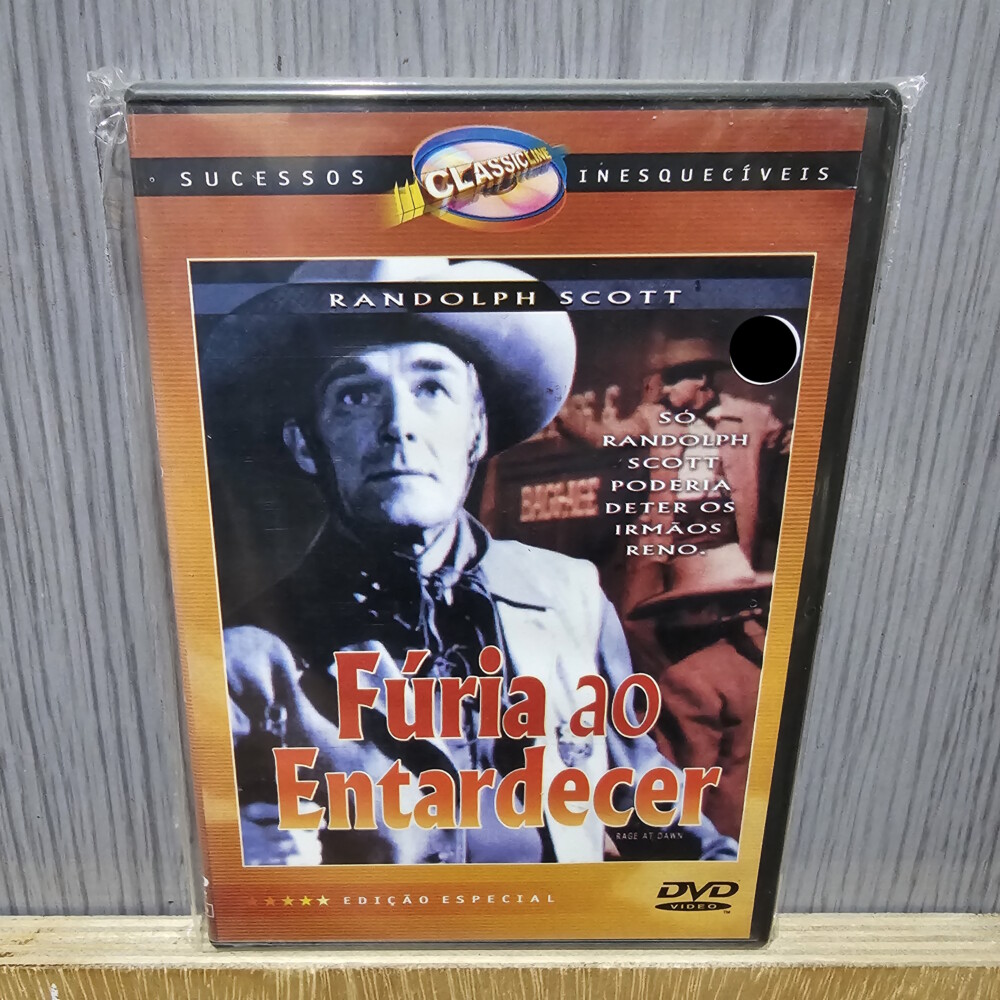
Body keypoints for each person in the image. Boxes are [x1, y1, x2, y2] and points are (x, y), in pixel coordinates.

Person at [201, 258, 737, 867]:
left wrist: (720, 890)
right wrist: (239, 865)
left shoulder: (570, 597)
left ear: (476, 430)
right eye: (356, 396)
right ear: (306, 444)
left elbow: (646, 811)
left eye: (432, 389)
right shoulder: (249, 659)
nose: (399, 426)